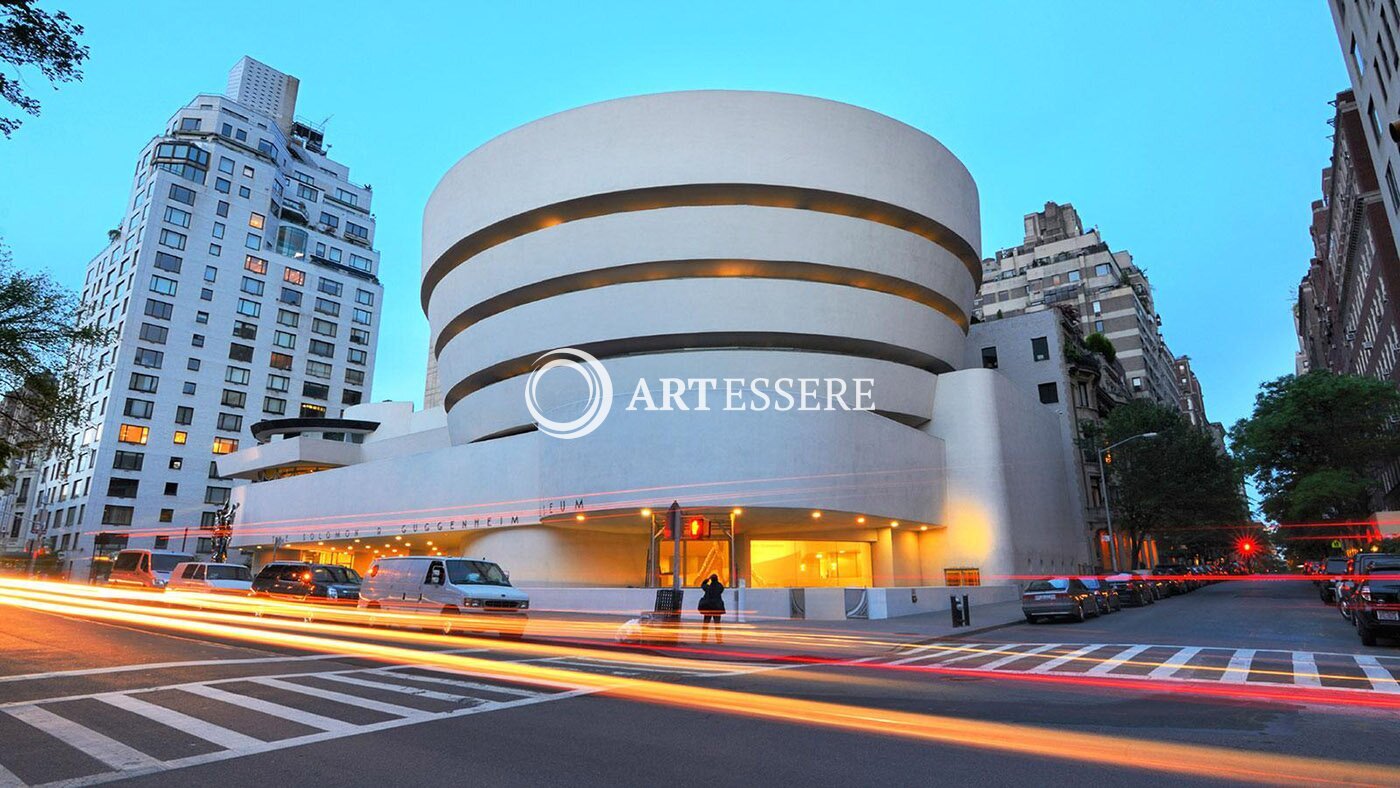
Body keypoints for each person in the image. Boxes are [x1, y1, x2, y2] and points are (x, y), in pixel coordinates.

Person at [698, 573, 726, 643]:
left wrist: (707, 579)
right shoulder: (719, 587)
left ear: (711, 580)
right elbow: (722, 587)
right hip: (717, 608)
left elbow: (703, 585)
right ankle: (719, 640)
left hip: (708, 608)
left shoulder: (708, 588)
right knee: (717, 624)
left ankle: (703, 639)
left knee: (706, 624)